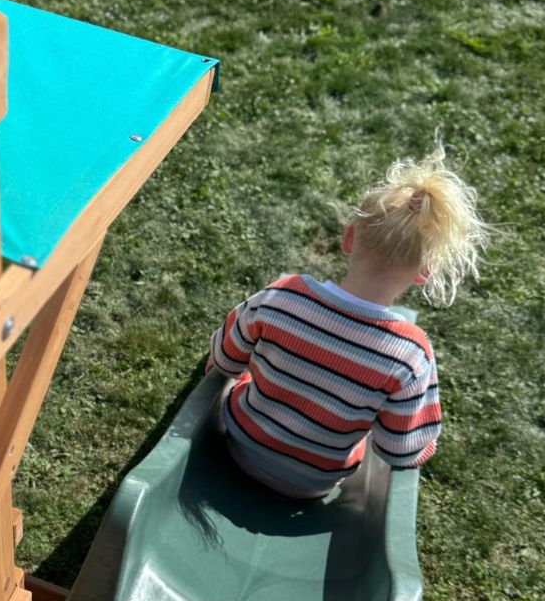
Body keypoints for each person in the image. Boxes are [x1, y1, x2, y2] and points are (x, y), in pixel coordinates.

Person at [208, 142, 490, 499]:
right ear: (424, 273)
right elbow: (402, 451)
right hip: (313, 483)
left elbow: (223, 359)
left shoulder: (283, 296)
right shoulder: (411, 354)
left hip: (238, 447)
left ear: (348, 237)